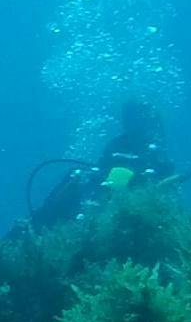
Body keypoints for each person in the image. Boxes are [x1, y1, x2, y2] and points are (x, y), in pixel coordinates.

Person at [27, 99, 178, 232]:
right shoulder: (120, 145)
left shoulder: (155, 152)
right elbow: (106, 176)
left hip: (123, 216)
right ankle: (32, 227)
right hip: (103, 205)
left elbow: (165, 187)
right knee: (74, 183)